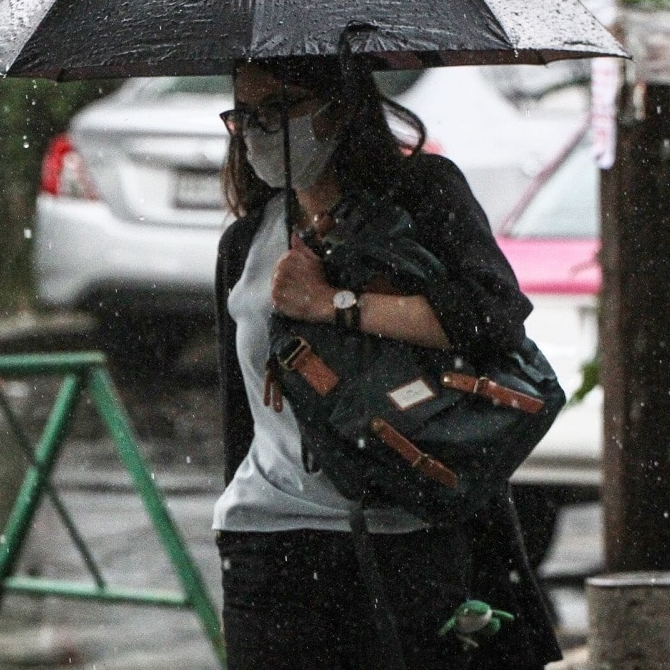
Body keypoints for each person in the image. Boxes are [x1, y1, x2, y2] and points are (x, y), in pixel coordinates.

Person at [212, 54, 563, 670]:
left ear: (340, 108)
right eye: (245, 114)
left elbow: (491, 323)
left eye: (282, 106)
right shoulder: (246, 243)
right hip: (270, 548)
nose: (262, 129)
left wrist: (334, 305)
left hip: (409, 535)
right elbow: (242, 418)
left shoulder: (421, 197)